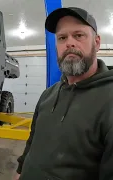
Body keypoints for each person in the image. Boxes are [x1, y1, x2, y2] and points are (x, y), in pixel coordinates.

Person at [13, 7, 113, 180]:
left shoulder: (109, 101)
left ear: (96, 43)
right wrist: (20, 171)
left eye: (79, 35)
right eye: (62, 38)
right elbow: (33, 140)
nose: (69, 43)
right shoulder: (47, 95)